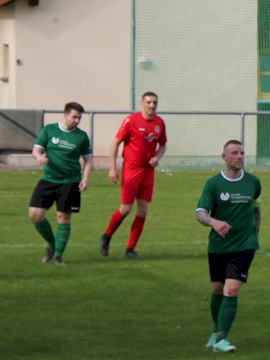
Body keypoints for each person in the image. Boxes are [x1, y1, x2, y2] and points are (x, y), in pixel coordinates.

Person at [195, 140, 261, 354]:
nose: (240, 156)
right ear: (224, 157)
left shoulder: (253, 182)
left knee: (231, 290)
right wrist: (213, 222)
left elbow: (256, 209)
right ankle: (217, 331)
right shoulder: (213, 184)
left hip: (244, 246)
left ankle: (222, 340)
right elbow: (200, 213)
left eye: (242, 152)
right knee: (217, 289)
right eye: (234, 153)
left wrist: (254, 235)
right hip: (218, 245)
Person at [99, 92, 167, 259]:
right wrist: (112, 168)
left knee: (143, 210)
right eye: (149, 102)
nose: (152, 105)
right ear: (142, 103)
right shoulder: (131, 121)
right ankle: (106, 236)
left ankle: (130, 249)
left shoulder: (159, 123)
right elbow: (116, 142)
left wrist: (156, 157)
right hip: (131, 169)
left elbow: (163, 145)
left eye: (155, 102)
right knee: (126, 209)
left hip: (148, 171)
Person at [28, 102, 93, 265]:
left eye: (79, 117)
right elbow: (36, 149)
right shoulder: (49, 130)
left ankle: (58, 256)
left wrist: (85, 179)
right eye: (74, 117)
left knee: (63, 218)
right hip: (49, 179)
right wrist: (39, 157)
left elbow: (88, 160)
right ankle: (52, 245)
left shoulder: (81, 136)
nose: (77, 120)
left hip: (70, 182)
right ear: (65, 115)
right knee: (34, 215)